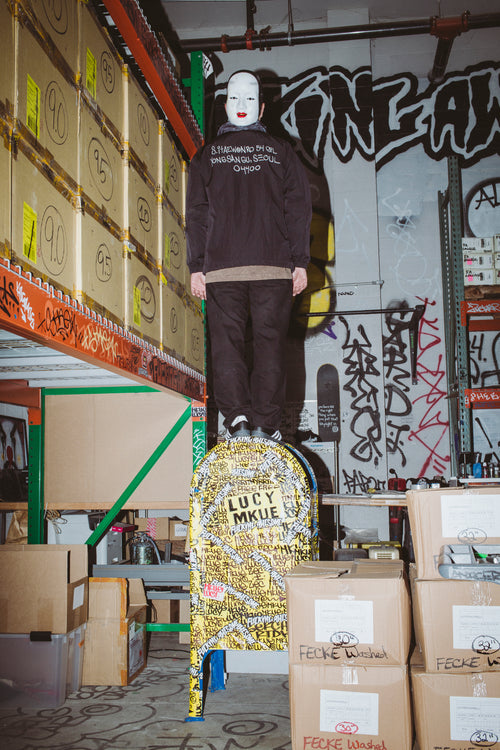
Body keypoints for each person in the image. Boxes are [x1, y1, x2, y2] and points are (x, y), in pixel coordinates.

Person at [186, 70, 312, 442]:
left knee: (227, 344)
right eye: (237, 99)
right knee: (270, 344)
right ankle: (265, 425)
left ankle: (237, 420)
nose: (241, 106)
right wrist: (300, 262)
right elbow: (298, 208)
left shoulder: (207, 156)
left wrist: (197, 266)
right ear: (261, 110)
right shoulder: (281, 152)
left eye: (245, 100)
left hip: (221, 269)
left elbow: (196, 213)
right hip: (272, 266)